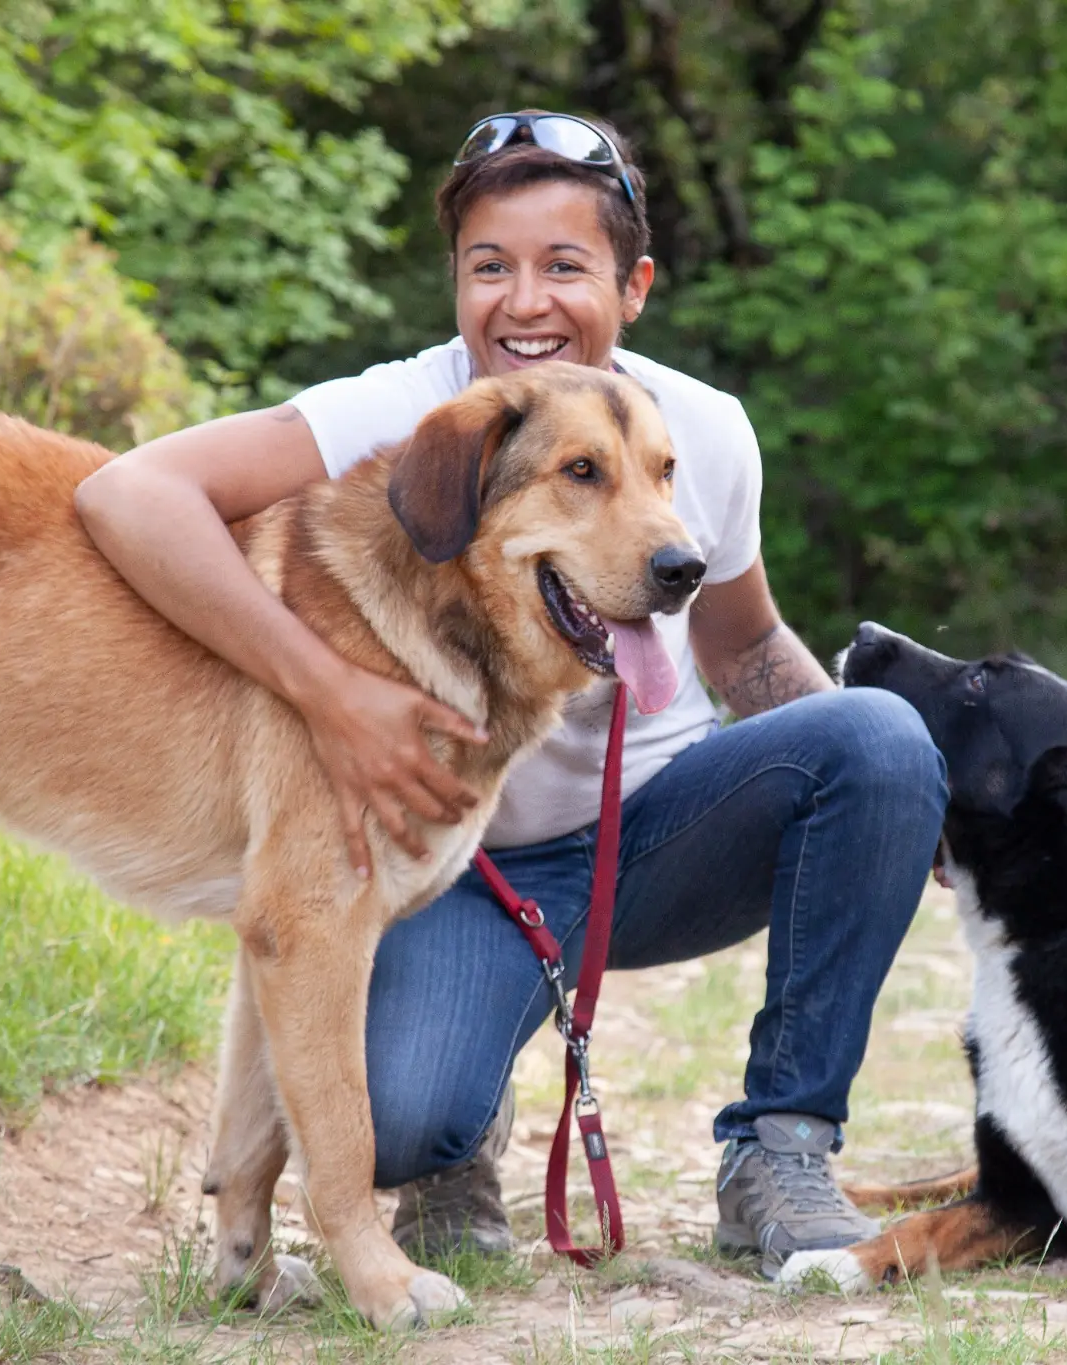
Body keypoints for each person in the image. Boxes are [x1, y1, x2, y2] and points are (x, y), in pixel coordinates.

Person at [75, 110, 947, 1278]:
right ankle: (451, 1151)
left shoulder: (704, 434)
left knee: (880, 739)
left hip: (652, 838)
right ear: (454, 283)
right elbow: (131, 495)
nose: (523, 302)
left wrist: (905, 793)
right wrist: (327, 694)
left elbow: (741, 652)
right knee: (400, 1115)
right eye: (490, 267)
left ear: (633, 286)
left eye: (563, 267)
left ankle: (778, 1151)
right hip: (456, 881)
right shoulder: (409, 420)